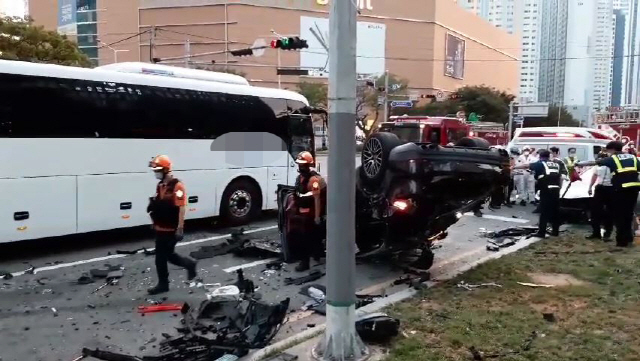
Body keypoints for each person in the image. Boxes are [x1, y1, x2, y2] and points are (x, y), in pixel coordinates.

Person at [146, 155, 197, 295]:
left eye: (158, 170)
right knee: (167, 255)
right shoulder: (160, 186)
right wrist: (154, 223)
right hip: (160, 227)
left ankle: (163, 284)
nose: (156, 173)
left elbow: (181, 207)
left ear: (166, 170)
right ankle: (189, 264)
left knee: (161, 257)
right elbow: (158, 205)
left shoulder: (177, 186)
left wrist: (180, 228)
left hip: (171, 229)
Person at [577, 141, 640, 247]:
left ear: (612, 149)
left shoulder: (612, 159)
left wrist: (578, 164)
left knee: (619, 215)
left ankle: (621, 241)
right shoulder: (633, 158)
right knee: (628, 214)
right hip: (634, 188)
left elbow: (595, 163)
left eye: (608, 150)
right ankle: (629, 238)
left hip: (621, 189)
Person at [291, 151, 327, 271]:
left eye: (302, 165)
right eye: (299, 164)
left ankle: (305, 262)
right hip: (304, 212)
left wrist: (317, 217)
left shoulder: (313, 180)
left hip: (311, 214)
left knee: (305, 238)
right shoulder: (301, 178)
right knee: (313, 237)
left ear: (307, 165)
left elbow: (317, 199)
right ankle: (318, 254)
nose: (300, 167)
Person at [514, 150, 562, 238]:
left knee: (544, 211)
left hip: (546, 189)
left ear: (540, 156)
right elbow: (560, 177)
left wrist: (514, 167)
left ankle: (541, 232)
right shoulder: (556, 165)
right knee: (555, 211)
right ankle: (555, 231)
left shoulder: (541, 163)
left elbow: (526, 165)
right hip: (556, 189)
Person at [586, 152, 613, 241]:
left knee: (609, 212)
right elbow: (594, 177)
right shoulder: (597, 167)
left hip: (611, 188)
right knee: (595, 211)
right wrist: (590, 187)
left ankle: (607, 234)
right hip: (600, 188)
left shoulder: (613, 166)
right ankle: (596, 233)